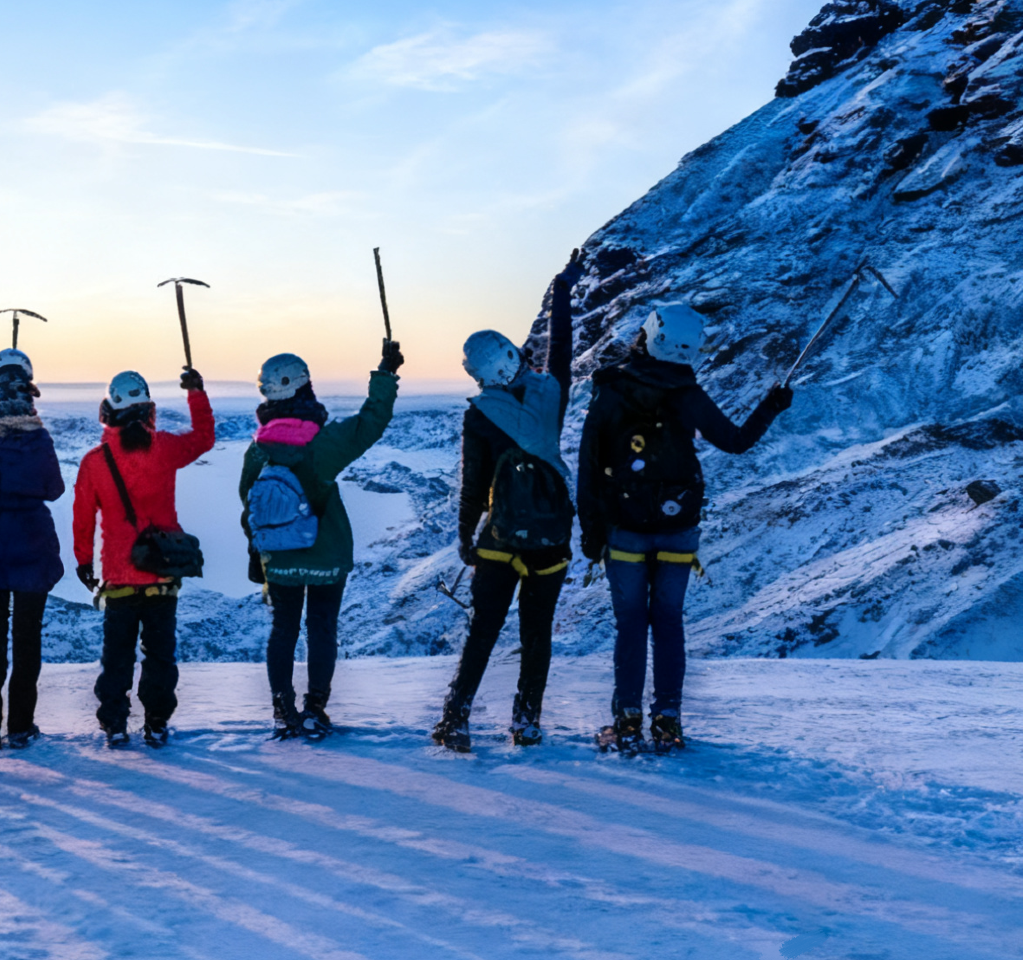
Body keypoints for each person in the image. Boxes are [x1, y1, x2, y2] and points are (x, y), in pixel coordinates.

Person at [578, 303, 793, 754]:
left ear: (648, 335)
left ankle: (628, 719)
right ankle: (668, 719)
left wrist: (591, 532)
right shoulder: (686, 392)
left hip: (624, 526)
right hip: (678, 525)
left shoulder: (612, 388)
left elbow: (590, 465)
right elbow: (736, 441)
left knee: (631, 624)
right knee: (669, 622)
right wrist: (771, 405)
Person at [431, 251, 582, 753]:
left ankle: (456, 718)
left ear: (478, 376)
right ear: (515, 356)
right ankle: (527, 721)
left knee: (484, 630)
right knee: (536, 634)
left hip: (498, 540)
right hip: (552, 540)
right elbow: (563, 345)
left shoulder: (479, 415)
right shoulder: (551, 391)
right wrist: (563, 291)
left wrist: (465, 538)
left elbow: (474, 485)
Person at [239, 336, 404, 742]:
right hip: (327, 553)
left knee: (283, 630)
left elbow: (249, 503)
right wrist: (386, 374)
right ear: (304, 388)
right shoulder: (324, 444)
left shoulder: (259, 451)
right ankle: (315, 709)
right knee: (322, 629)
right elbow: (371, 422)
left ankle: (282, 710)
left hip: (279, 558)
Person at [72, 367, 215, 748]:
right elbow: (204, 438)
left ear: (108, 410)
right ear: (148, 409)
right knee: (160, 658)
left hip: (119, 578)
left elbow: (83, 518)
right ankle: (156, 723)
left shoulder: (95, 462)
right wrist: (196, 393)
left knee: (117, 659)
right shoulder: (164, 449)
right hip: (161, 575)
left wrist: (84, 562)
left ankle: (115, 725)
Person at [0, 349, 66, 751]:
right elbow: (54, 488)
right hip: (31, 543)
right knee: (26, 643)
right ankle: (20, 726)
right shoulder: (36, 435)